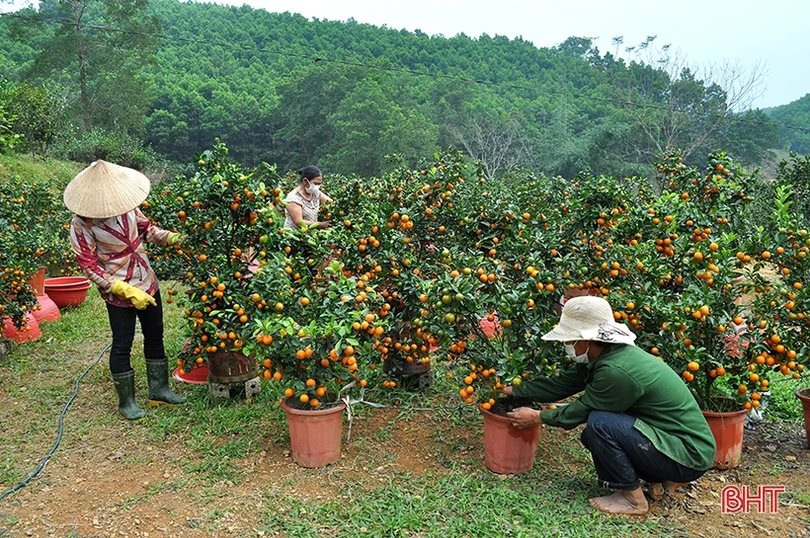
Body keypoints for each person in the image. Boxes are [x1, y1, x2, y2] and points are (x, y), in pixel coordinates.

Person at [503, 296, 716, 516]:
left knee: (600, 423)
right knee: (592, 435)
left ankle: (635, 501)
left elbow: (581, 411)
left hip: (690, 454)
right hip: (671, 445)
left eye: (569, 340)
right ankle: (664, 480)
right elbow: (560, 385)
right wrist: (514, 389)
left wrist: (538, 417)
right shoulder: (602, 356)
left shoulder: (616, 370)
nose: (566, 345)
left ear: (585, 340)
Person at [64, 160, 186, 420]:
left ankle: (159, 390)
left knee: (155, 335)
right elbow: (89, 265)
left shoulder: (127, 207)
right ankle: (126, 402)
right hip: (119, 291)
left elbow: (148, 231)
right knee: (123, 343)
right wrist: (120, 288)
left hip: (146, 279)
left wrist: (173, 238)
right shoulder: (81, 223)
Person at [282, 166, 333, 230]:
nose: (317, 186)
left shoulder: (316, 193)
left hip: (310, 235)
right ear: (305, 181)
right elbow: (299, 222)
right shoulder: (293, 198)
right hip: (295, 235)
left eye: (319, 184)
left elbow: (331, 203)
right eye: (315, 184)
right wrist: (321, 224)